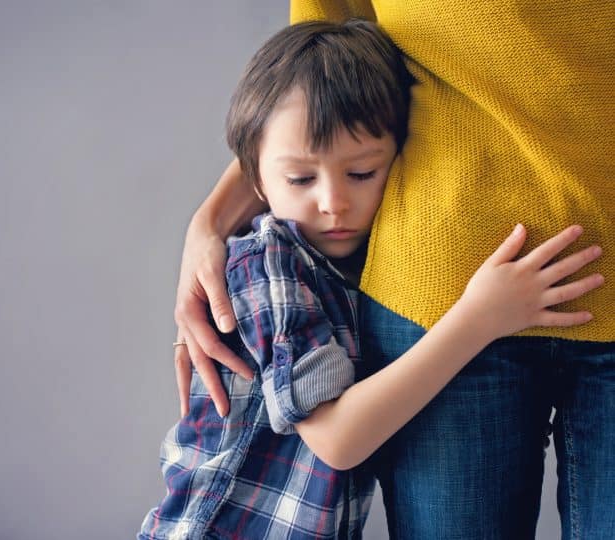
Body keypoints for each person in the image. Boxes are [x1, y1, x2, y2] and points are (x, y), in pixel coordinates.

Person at [139, 20, 603, 540]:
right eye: (300, 179)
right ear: (257, 182)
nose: (333, 202)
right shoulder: (267, 268)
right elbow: (337, 438)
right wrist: (478, 318)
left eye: (361, 173)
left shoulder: (341, 259)